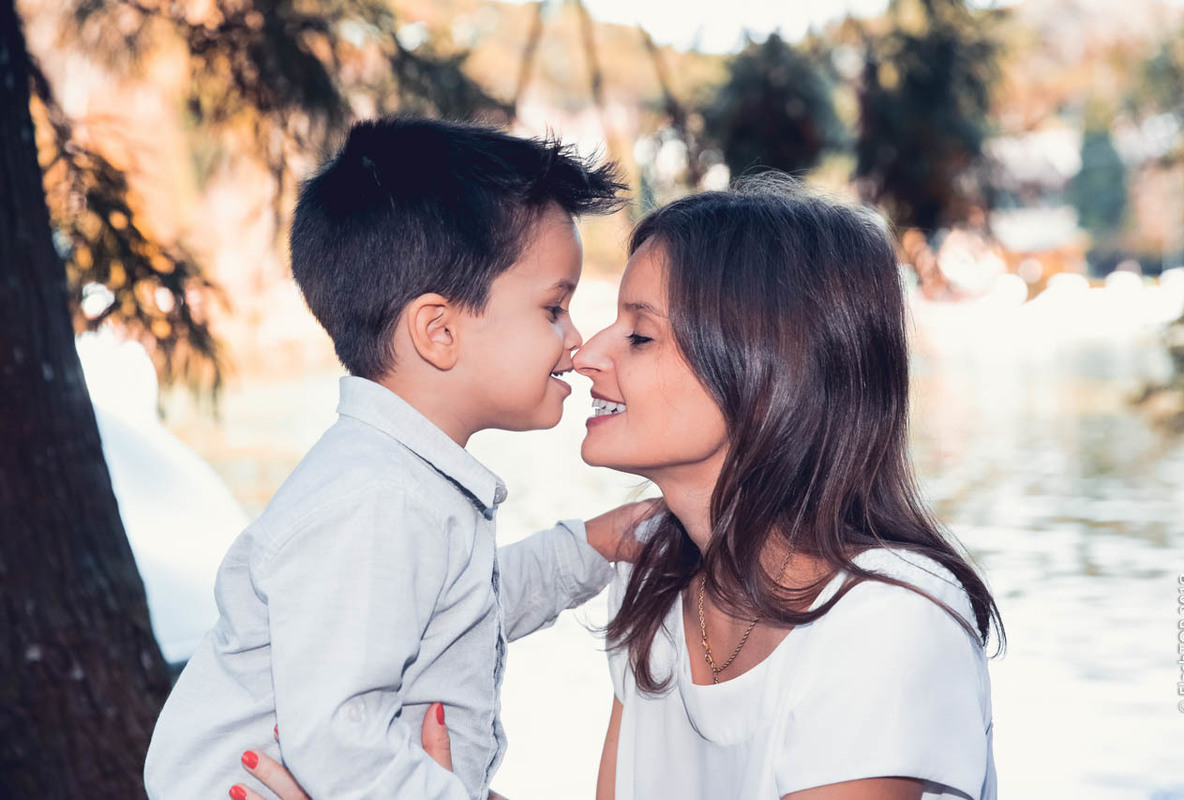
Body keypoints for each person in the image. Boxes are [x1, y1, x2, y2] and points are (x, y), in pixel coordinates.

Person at [238, 177, 1003, 799]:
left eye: (638, 334)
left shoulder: (887, 622)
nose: (586, 353)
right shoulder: (656, 589)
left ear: (768, 374)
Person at [143, 117, 650, 800]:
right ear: (438, 332)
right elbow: (337, 738)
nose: (577, 339)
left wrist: (589, 548)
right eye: (554, 308)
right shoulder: (378, 500)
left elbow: (458, 616)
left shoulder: (399, 479)